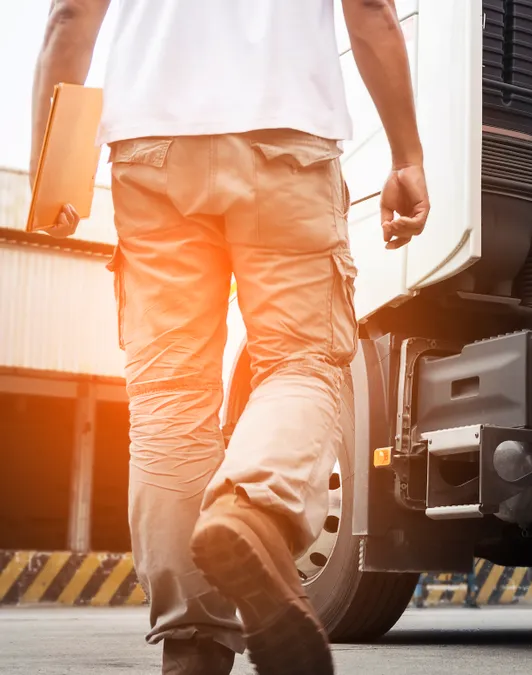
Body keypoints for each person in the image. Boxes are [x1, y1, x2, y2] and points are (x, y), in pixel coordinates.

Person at [31, 1, 430, 674]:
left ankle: (193, 641)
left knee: (167, 398)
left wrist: (54, 169)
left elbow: (70, 16)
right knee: (301, 361)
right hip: (288, 141)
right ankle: (255, 509)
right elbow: (369, 10)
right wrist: (407, 156)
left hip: (151, 150)